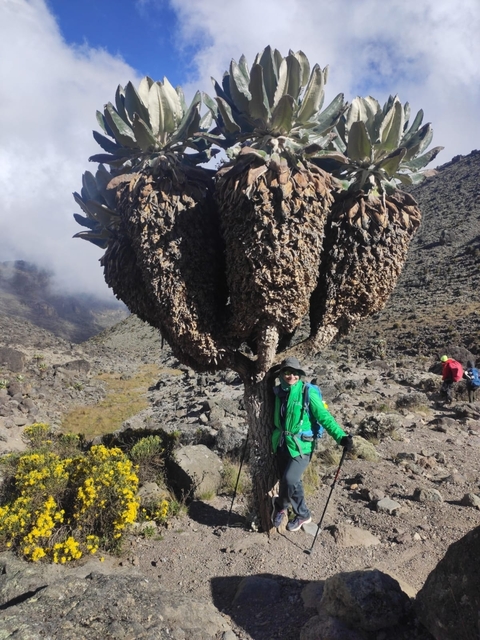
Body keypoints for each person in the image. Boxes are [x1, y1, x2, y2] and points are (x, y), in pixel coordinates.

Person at [271, 357, 352, 532]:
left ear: (299, 375)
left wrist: (341, 437)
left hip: (302, 445)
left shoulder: (307, 392)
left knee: (289, 479)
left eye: (294, 373)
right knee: (295, 483)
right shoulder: (278, 392)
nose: (290, 376)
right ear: (281, 374)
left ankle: (280, 505)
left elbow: (324, 416)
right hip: (281, 443)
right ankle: (303, 514)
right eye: (286, 372)